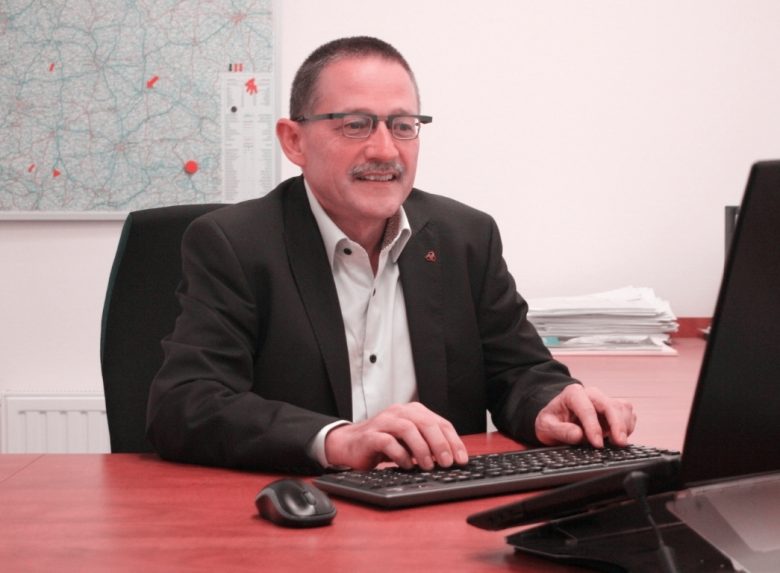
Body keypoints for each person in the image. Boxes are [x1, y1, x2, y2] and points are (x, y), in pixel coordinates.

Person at [146, 36, 635, 474]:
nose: (385, 150)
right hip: (306, 512)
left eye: (403, 126)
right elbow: (187, 404)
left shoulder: (466, 238)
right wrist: (338, 441)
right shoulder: (234, 244)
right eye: (355, 125)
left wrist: (548, 403)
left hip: (438, 507)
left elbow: (518, 371)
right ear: (294, 141)